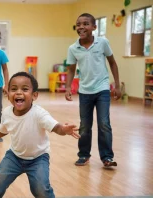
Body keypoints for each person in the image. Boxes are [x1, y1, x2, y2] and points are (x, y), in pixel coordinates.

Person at [0, 72, 80, 198]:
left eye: (25, 89)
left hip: (38, 158)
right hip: (14, 156)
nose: (19, 92)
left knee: (41, 189)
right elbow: (1, 130)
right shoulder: (7, 113)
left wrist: (64, 129)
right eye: (14, 89)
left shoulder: (39, 114)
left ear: (34, 95)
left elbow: (56, 128)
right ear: (7, 94)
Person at [65, 13, 121, 167]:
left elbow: (112, 63)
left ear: (94, 27)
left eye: (85, 24)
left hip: (102, 88)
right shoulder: (73, 48)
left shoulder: (102, 43)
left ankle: (107, 157)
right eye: (78, 24)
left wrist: (117, 85)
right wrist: (68, 87)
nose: (81, 27)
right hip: (85, 91)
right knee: (85, 125)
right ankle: (83, 155)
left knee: (104, 123)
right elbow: (71, 69)